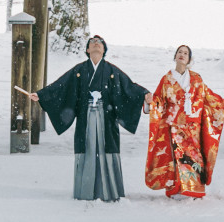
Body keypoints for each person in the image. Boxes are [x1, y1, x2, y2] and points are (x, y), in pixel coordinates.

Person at [31, 35, 150, 201]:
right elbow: (61, 86)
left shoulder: (112, 71)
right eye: (92, 43)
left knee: (106, 147)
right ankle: (85, 191)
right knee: (86, 148)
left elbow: (129, 87)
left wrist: (144, 95)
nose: (96, 44)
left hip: (106, 117)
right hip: (85, 117)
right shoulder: (79, 70)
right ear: (87, 50)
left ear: (104, 49)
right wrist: (42, 95)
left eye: (99, 43)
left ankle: (110, 191)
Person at [145, 44, 224, 198]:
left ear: (189, 59)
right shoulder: (166, 79)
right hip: (174, 126)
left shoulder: (196, 79)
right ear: (175, 56)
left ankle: (194, 189)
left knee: (194, 157)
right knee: (175, 158)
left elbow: (208, 96)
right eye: (180, 52)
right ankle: (176, 190)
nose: (182, 55)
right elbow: (159, 101)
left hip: (193, 127)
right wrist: (151, 101)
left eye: (186, 53)